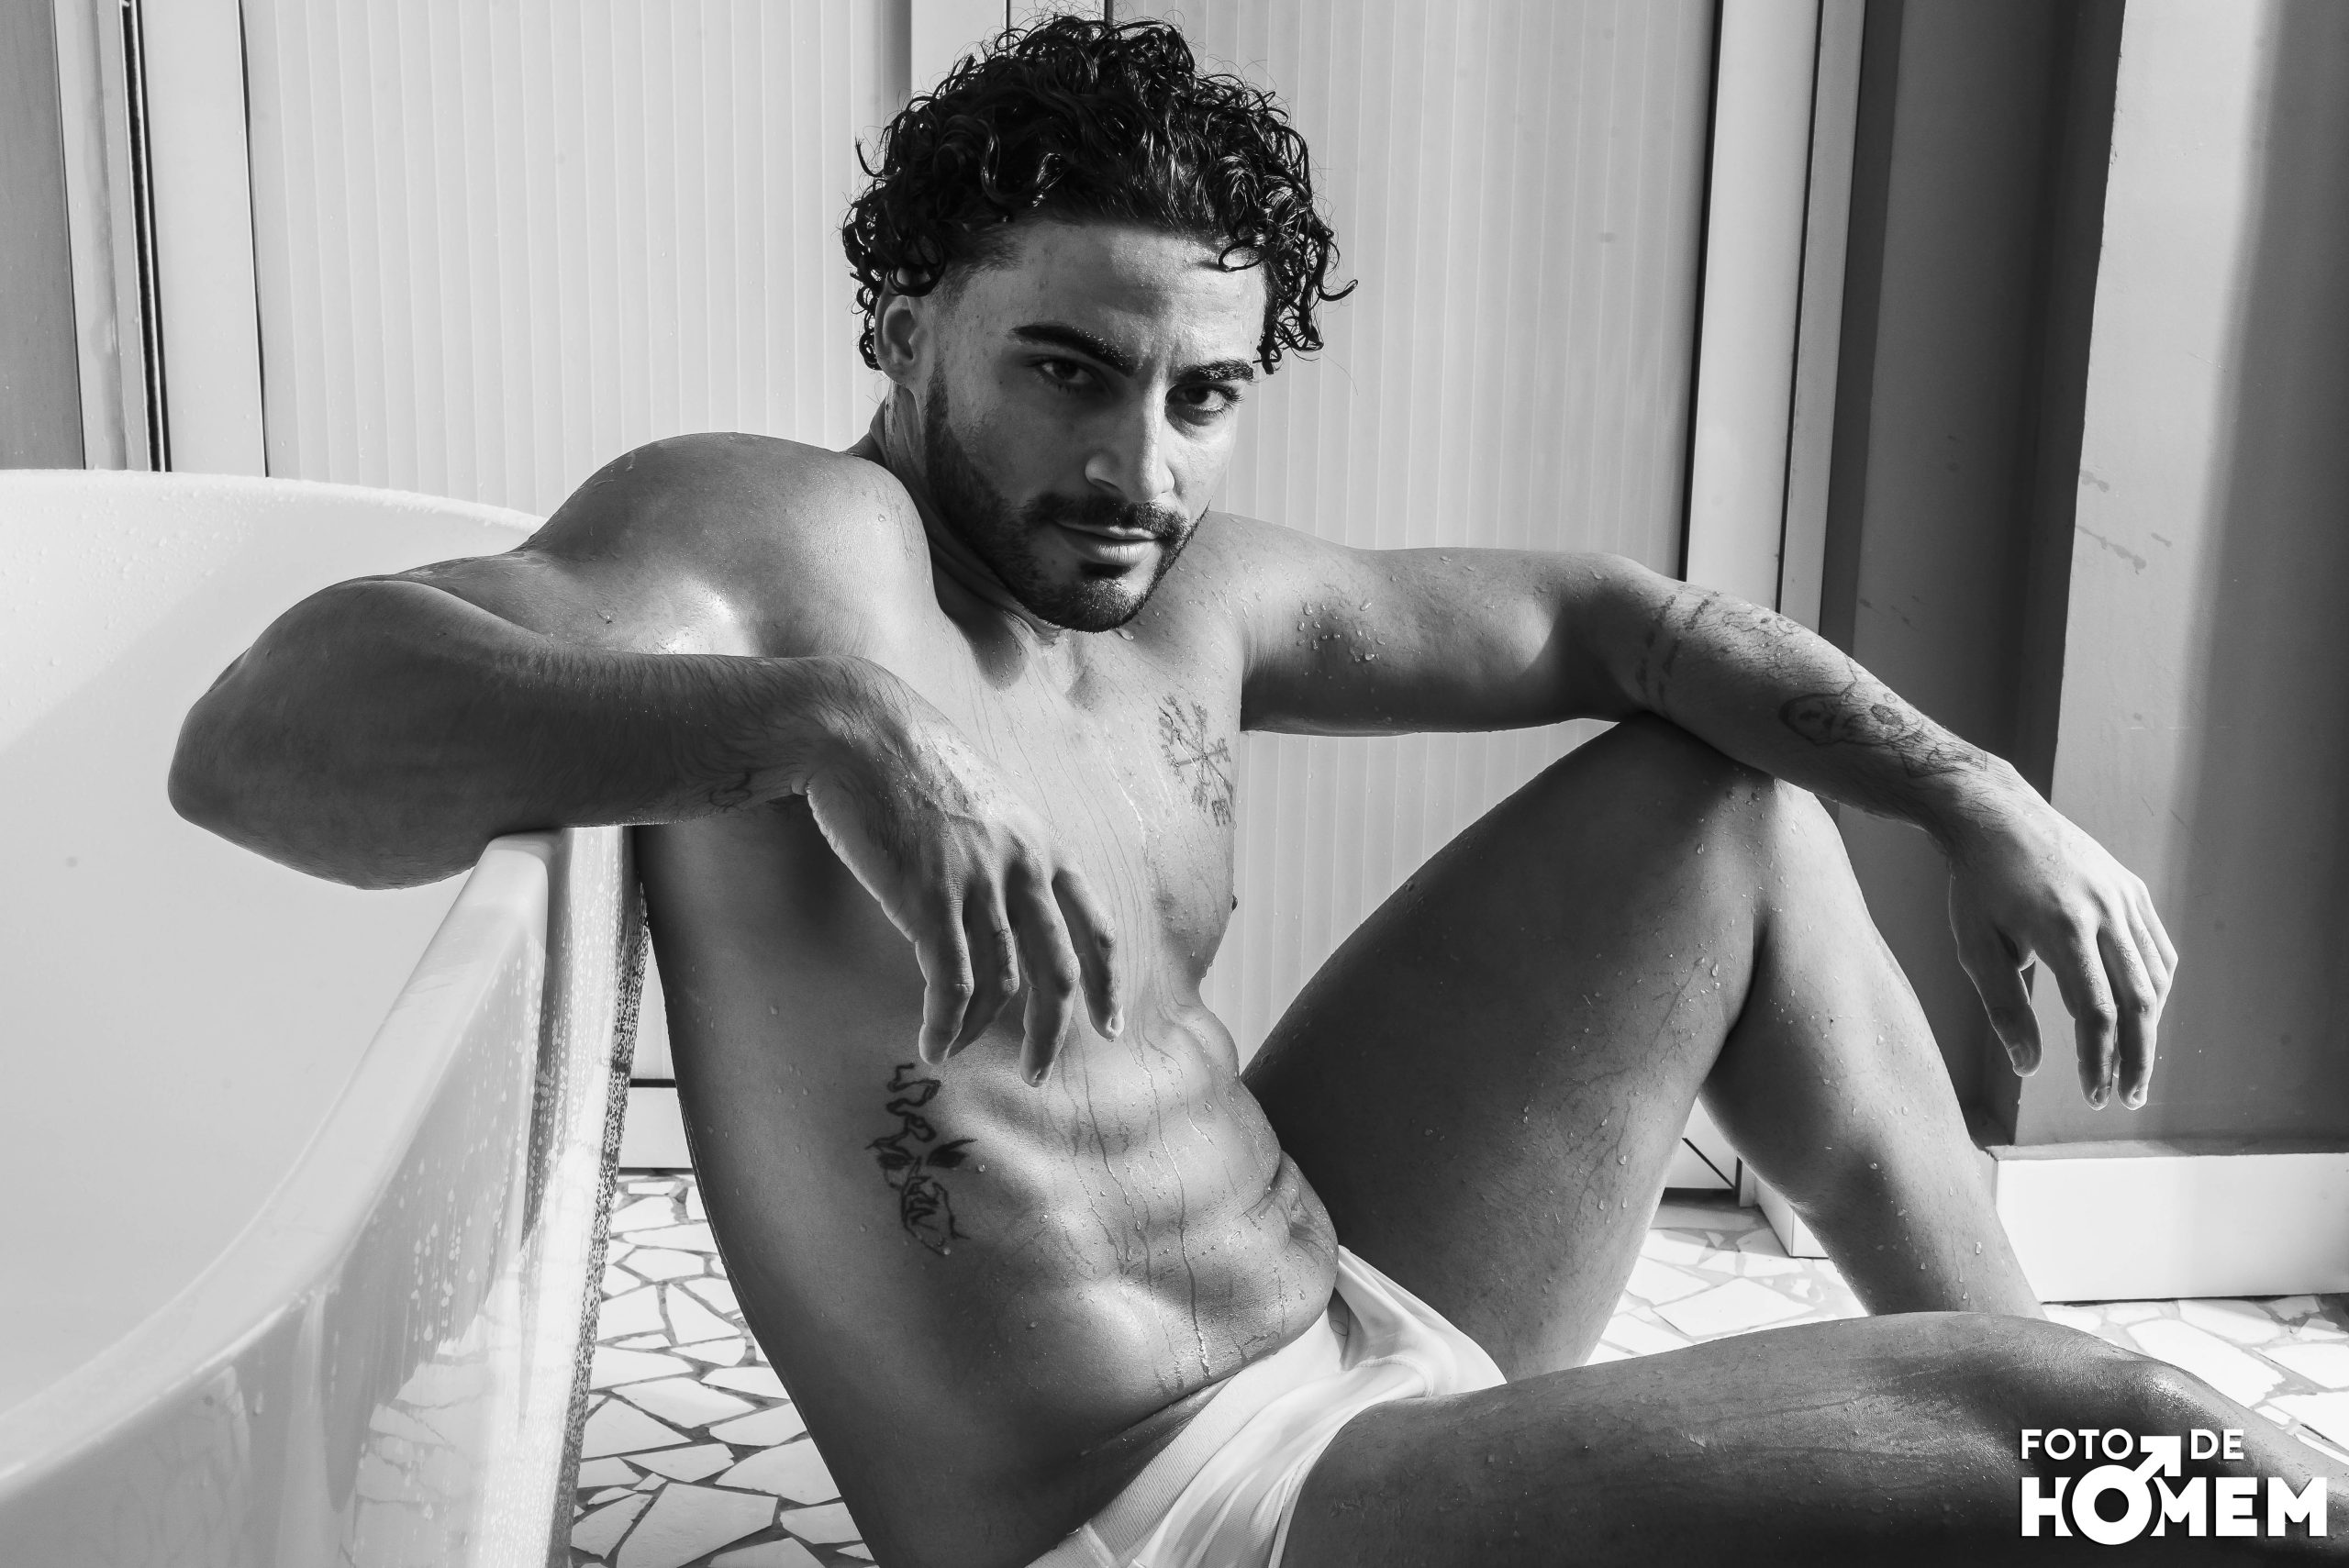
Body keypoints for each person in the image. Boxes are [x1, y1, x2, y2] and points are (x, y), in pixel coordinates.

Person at [170, 17, 2342, 1567]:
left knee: (1723, 817)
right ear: (906, 323)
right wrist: (828, 726)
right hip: (1176, 1517)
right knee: (2116, 1438)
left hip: (1349, 1327)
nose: (1136, 467)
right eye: (1065, 369)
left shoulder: (1188, 597)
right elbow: (261, 739)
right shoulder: (774, 547)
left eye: (1199, 396)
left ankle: (2082, 1488)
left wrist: (1974, 796)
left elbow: (1629, 626)